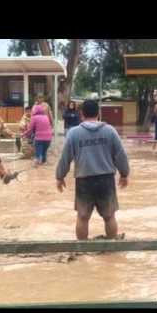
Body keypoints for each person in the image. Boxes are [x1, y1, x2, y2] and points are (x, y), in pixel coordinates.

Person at [55, 100, 129, 241]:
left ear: (81, 114)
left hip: (84, 180)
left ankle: (82, 251)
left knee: (82, 217)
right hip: (106, 180)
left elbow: (65, 157)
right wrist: (124, 174)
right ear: (98, 113)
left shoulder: (73, 133)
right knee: (109, 216)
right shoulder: (110, 131)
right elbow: (120, 155)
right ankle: (112, 249)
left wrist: (60, 176)